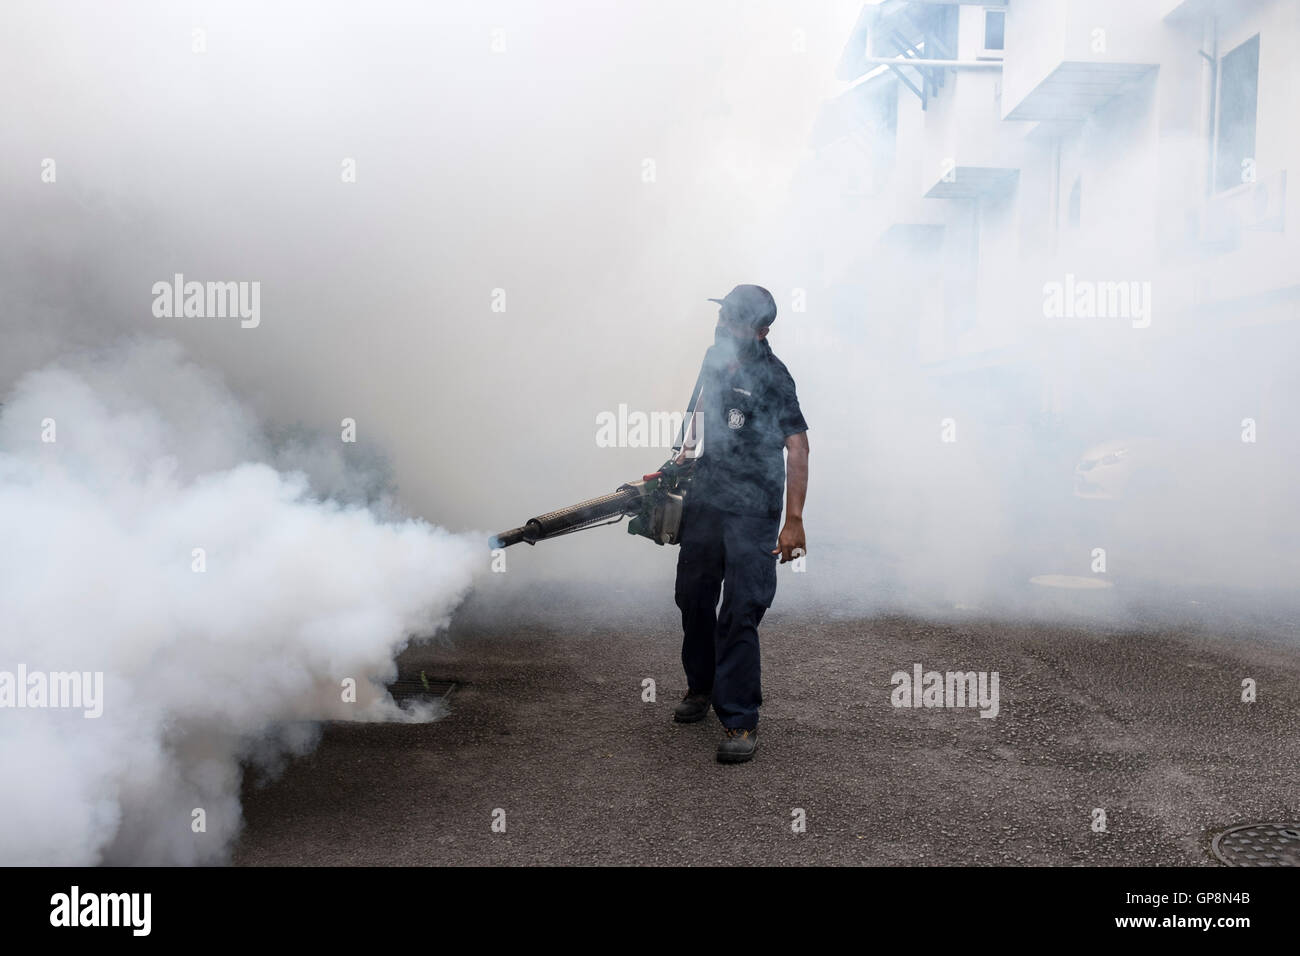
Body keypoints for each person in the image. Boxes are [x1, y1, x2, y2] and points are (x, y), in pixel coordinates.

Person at [672, 284, 809, 763]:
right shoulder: (714, 360)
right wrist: (685, 454)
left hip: (754, 508)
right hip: (707, 499)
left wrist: (793, 522)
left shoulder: (775, 376)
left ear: (760, 330)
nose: (724, 325)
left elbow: (797, 446)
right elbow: (703, 416)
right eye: (724, 316)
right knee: (692, 596)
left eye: (734, 320)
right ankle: (700, 688)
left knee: (740, 610)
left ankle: (739, 720)